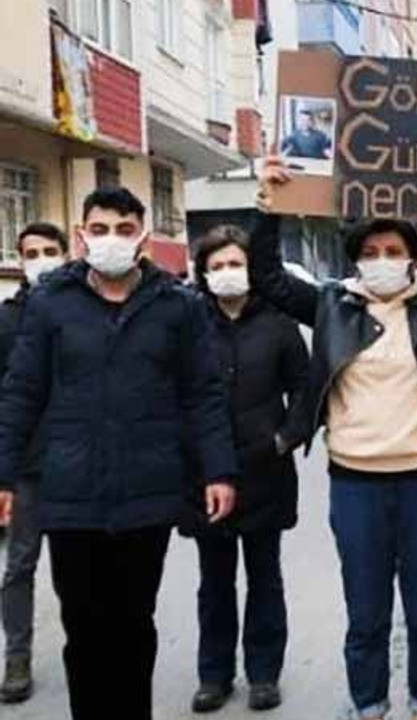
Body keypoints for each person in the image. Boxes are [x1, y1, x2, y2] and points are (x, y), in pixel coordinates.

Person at [252, 156, 417, 720]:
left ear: (413, 258)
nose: (382, 262)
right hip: (356, 487)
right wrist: (270, 209)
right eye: (370, 253)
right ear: (354, 261)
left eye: (393, 251)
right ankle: (368, 706)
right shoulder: (329, 304)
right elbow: (269, 279)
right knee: (366, 615)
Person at [0, 187, 238, 720]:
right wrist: (5, 475)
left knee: (134, 624)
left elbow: (202, 393)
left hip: (146, 493)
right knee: (83, 628)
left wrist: (219, 469)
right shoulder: (49, 303)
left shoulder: (177, 306)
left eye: (124, 230)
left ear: (143, 238)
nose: (112, 240)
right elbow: (21, 392)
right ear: (82, 236)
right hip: (70, 493)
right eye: (100, 229)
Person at [186, 226, 311, 714]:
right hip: (206, 473)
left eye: (234, 263)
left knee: (265, 575)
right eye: (216, 266)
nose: (226, 274)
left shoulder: (279, 322)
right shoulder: (191, 321)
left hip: (266, 470)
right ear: (203, 273)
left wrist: (287, 437)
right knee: (214, 580)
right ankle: (214, 675)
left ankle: (264, 672)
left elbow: (305, 387)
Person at [0, 223, 69, 704]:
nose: (41, 259)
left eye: (50, 251)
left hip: (75, 463)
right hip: (25, 467)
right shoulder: (6, 319)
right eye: (32, 253)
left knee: (78, 568)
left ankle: (84, 647)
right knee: (20, 564)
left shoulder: (85, 309)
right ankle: (17, 657)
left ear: (66, 255)